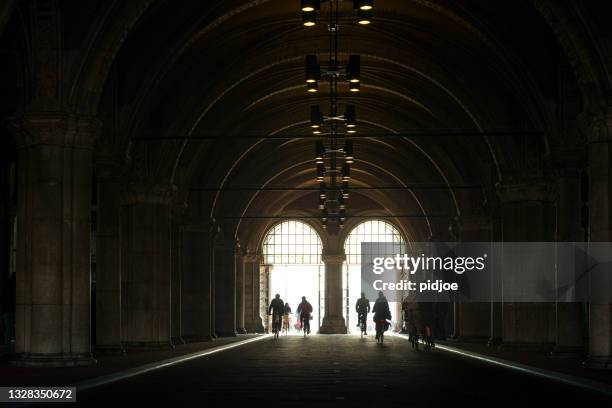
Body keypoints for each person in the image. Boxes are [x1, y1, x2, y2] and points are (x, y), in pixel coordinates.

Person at [2, 273, 16, 354]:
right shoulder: (17, 287)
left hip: (6, 311)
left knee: (8, 332)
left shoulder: (6, 287)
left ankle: (7, 350)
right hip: (14, 311)